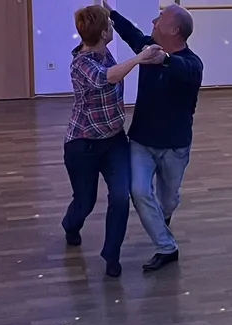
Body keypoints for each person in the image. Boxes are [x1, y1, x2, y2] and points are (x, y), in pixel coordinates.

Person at [102, 1, 203, 272]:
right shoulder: (149, 49)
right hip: (142, 141)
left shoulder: (192, 64)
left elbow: (184, 69)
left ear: (174, 30)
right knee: (139, 191)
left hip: (174, 146)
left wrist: (165, 60)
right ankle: (166, 247)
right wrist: (110, 13)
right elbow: (131, 33)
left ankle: (163, 218)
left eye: (159, 20)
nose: (153, 23)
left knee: (168, 200)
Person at [61, 5, 160, 278]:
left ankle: (111, 255)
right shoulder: (81, 63)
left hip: (114, 141)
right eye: (109, 26)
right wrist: (140, 58)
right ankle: (70, 225)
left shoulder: (103, 52)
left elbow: (113, 68)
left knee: (120, 197)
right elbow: (108, 78)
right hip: (82, 145)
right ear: (105, 33)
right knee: (86, 201)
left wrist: (107, 9)